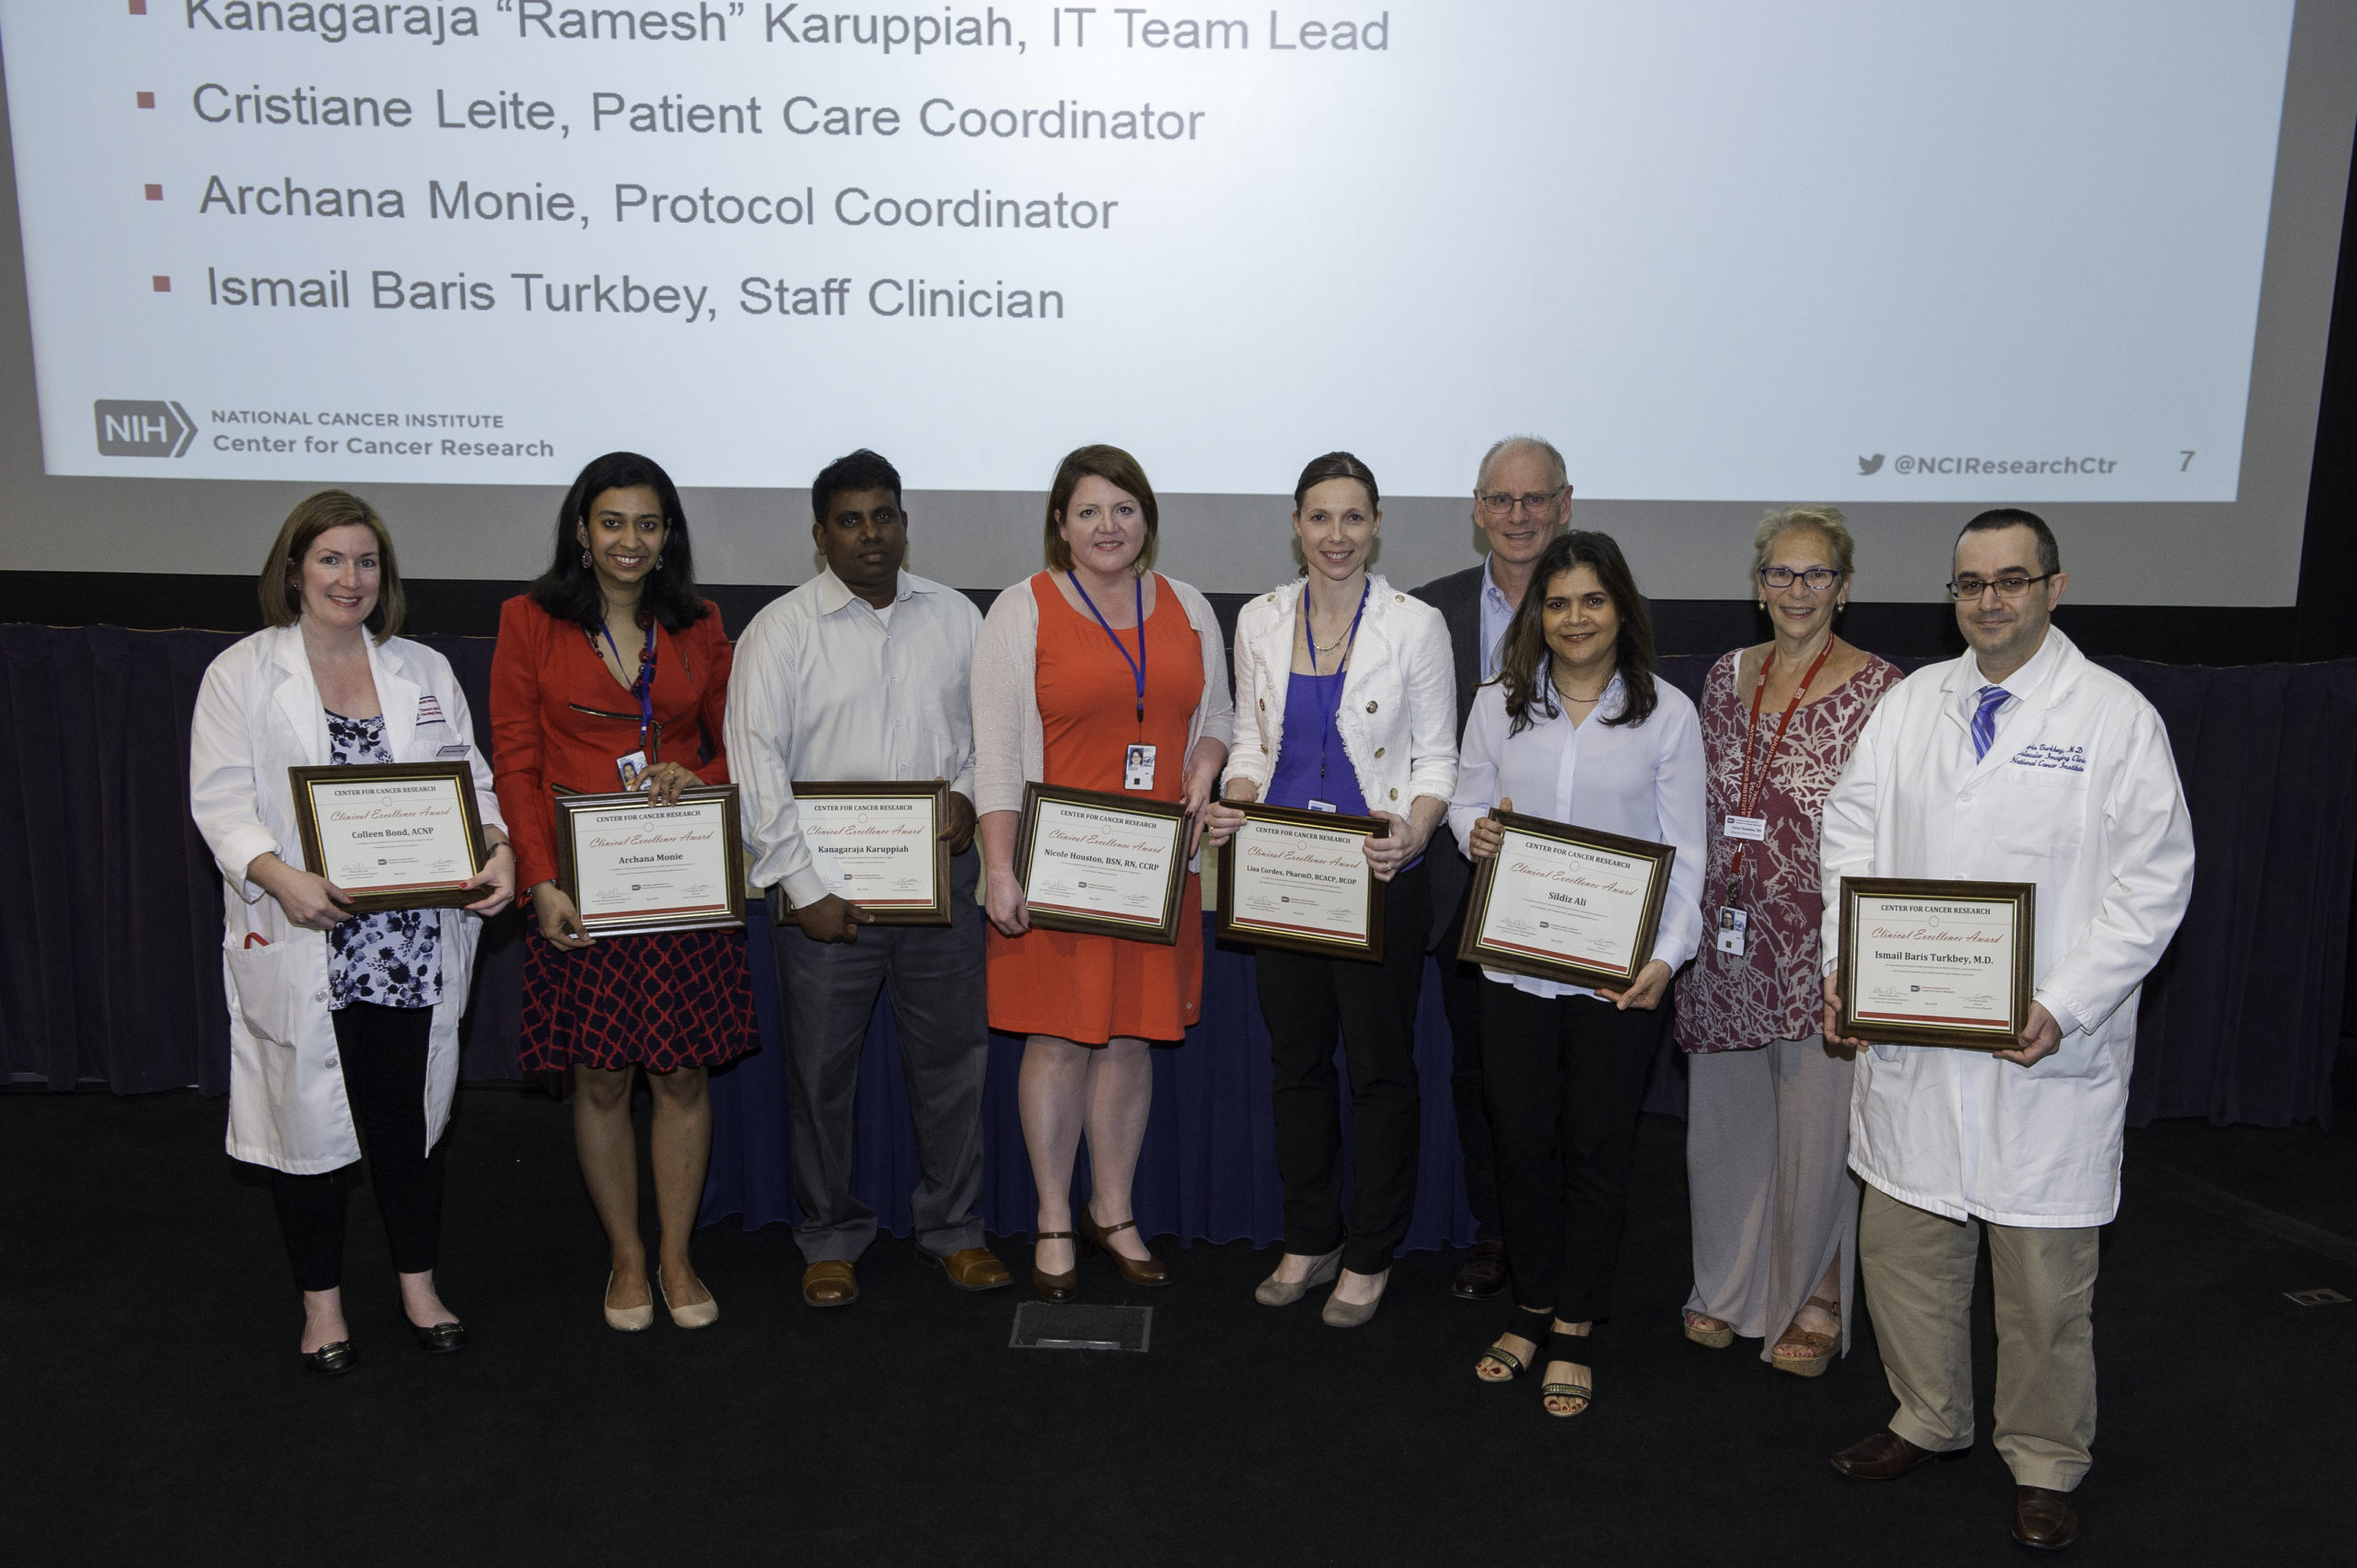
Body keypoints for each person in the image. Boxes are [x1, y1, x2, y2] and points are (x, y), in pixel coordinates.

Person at [1819, 508, 2194, 1551]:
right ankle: (1926, 1416)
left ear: (2053, 589)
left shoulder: (2115, 718)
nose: (1987, 600)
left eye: (2010, 580)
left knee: (2040, 1286)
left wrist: (2063, 1002)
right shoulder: (1906, 705)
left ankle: (2041, 1455)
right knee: (1902, 1250)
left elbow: (2154, 882)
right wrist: (1842, 964)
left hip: (2040, 1053)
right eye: (1969, 583)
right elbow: (1848, 831)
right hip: (1912, 1041)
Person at [190, 490, 517, 1374]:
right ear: (294, 568)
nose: (350, 577)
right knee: (309, 1136)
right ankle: (322, 1307)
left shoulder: (422, 669)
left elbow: (471, 784)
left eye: (366, 561)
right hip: (308, 934)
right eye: (330, 559)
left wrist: (498, 849)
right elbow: (220, 803)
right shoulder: (242, 673)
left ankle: (418, 1286)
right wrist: (281, 877)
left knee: (408, 1127)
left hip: (409, 941)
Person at [726, 448, 1009, 1307]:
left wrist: (963, 797)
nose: (870, 534)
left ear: (904, 523)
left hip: (940, 889)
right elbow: (755, 764)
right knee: (819, 1076)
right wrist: (802, 889)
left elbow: (986, 741)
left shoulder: (960, 618)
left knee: (953, 1066)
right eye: (849, 520)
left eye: (883, 515)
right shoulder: (778, 631)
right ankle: (831, 1237)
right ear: (819, 536)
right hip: (822, 903)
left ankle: (953, 1229)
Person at [491, 452, 754, 1332]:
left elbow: (737, 749)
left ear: (667, 533)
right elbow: (517, 762)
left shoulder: (703, 623)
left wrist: (697, 769)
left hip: (678, 880)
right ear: (581, 529)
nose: (629, 541)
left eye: (647, 524)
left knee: (679, 1071)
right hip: (582, 888)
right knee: (602, 1076)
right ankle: (627, 1256)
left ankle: (677, 1255)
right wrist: (538, 883)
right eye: (612, 522)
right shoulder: (528, 620)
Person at [1450, 529, 1704, 1416]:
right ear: (1537, 613)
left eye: (1591, 600)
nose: (1573, 618)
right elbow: (1469, 801)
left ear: (1620, 607)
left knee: (1598, 1149)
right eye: (1557, 602)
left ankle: (1577, 1326)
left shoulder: (1668, 713)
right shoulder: (1498, 702)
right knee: (1520, 1142)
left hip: (1615, 977)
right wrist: (1474, 834)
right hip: (1515, 967)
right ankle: (1529, 1307)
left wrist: (1666, 961)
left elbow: (1687, 854)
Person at [972, 444, 1233, 1300]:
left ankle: (1112, 1210)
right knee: (1055, 1040)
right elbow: (1001, 753)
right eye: (1088, 511)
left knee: (1128, 1041)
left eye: (1123, 508)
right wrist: (1000, 869)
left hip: (1154, 873)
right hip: (1056, 871)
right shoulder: (1022, 609)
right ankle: (1054, 1214)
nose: (1107, 526)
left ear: (1147, 517)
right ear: (1060, 524)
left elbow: (1217, 714)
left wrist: (1204, 762)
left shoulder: (1188, 604)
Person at [1202, 452, 1457, 1327]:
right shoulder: (1261, 620)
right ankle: (1309, 1236)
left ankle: (1372, 1251)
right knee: (1297, 1066)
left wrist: (1416, 832)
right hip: (1283, 874)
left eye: (1353, 518)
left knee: (1382, 1072)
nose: (1336, 536)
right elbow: (1247, 740)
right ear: (1297, 524)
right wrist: (1235, 801)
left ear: (1377, 523)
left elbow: (1437, 759)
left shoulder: (1416, 625)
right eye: (1320, 517)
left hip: (1381, 873)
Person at [1673, 506, 1901, 1374]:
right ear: (1757, 585)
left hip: (1821, 951)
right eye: (1781, 573)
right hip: (1729, 941)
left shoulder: (1885, 690)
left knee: (1818, 1137)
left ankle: (1819, 1294)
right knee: (1726, 1128)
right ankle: (1726, 1287)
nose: (1796, 591)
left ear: (1843, 589)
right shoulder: (1723, 678)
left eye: (1816, 575)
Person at [1411, 435, 1573, 1300]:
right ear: (1477, 509)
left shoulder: (1595, 605)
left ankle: (1561, 1233)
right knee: (1478, 1072)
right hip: (1459, 882)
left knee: (1560, 1075)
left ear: (1565, 504)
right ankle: (1496, 1232)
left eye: (1535, 499)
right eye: (1501, 501)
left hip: (1571, 886)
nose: (1519, 517)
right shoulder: (1426, 613)